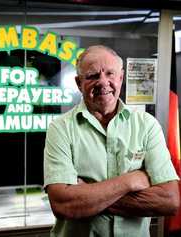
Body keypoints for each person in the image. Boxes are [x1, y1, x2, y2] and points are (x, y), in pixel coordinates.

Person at [43, 45, 180, 237]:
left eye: (110, 73)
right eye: (92, 76)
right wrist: (131, 180)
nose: (103, 82)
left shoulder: (147, 125)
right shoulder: (60, 128)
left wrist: (88, 195)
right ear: (78, 82)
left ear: (121, 78)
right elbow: (64, 204)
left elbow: (170, 200)